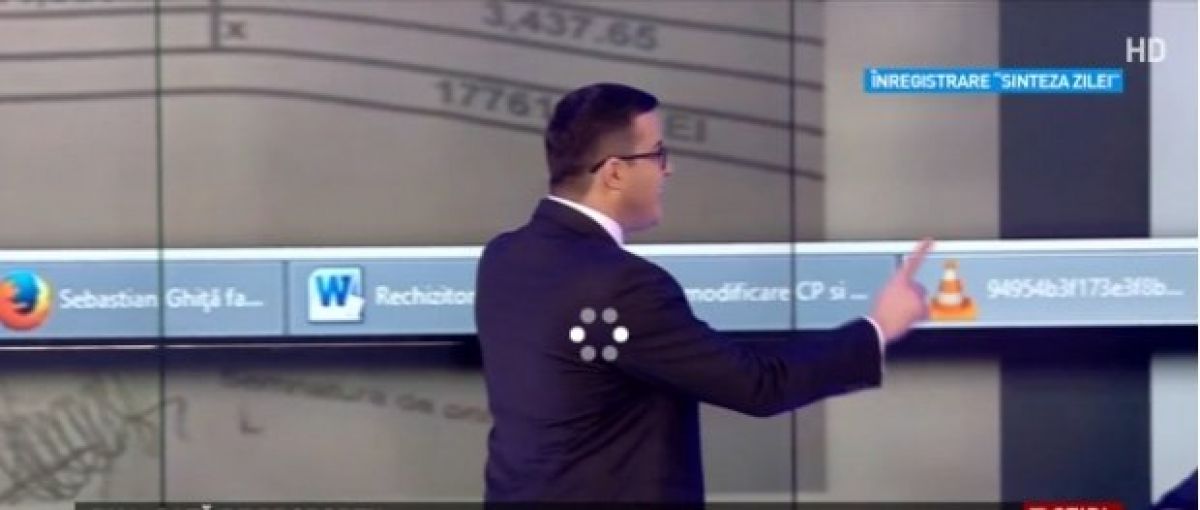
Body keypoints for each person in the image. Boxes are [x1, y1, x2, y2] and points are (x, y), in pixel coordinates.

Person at [474, 82, 933, 503]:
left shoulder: (503, 259)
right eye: (658, 154)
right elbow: (759, 385)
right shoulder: (623, 285)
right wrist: (879, 327)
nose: (669, 170)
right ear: (614, 173)